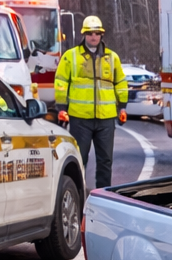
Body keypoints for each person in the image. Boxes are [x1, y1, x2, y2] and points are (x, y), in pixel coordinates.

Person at [54, 15, 128, 189]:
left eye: (96, 33)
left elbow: (121, 82)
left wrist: (122, 107)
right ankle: (78, 194)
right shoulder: (70, 56)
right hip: (80, 118)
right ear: (84, 35)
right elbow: (61, 82)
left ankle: (104, 195)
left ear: (101, 35)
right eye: (89, 33)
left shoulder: (112, 58)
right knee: (80, 159)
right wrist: (61, 108)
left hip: (106, 118)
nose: (93, 36)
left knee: (105, 160)